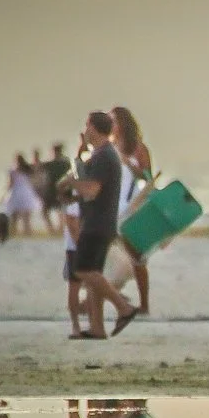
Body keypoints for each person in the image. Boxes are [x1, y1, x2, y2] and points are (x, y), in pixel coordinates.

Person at [55, 111, 140, 340]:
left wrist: (71, 182)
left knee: (83, 271)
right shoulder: (101, 155)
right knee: (94, 276)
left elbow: (92, 191)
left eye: (87, 125)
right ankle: (97, 328)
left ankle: (124, 307)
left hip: (97, 224)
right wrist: (71, 197)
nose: (85, 130)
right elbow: (93, 192)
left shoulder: (104, 155)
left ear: (94, 128)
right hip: (98, 221)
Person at [111, 107, 155, 315]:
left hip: (132, 207)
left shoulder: (138, 148)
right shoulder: (109, 146)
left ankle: (144, 304)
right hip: (111, 206)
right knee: (107, 253)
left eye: (114, 121)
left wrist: (129, 164)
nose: (111, 125)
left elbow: (148, 178)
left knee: (137, 257)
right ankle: (114, 296)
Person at [4, 154, 41, 236]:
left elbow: (10, 184)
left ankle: (13, 234)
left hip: (17, 192)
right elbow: (35, 181)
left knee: (14, 217)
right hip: (27, 192)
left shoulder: (13, 171)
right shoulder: (28, 170)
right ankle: (28, 234)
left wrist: (4, 194)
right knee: (26, 219)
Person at [63, 200, 84, 337]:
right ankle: (75, 325)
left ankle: (92, 323)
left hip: (84, 245)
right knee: (75, 286)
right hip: (76, 248)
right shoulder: (76, 199)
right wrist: (81, 245)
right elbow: (72, 223)